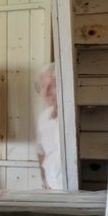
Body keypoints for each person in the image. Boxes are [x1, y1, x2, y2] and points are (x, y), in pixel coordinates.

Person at [36, 62, 66, 190]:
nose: (45, 92)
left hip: (73, 191)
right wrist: (44, 180)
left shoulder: (72, 117)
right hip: (51, 188)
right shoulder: (43, 117)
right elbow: (41, 151)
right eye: (43, 86)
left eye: (52, 86)